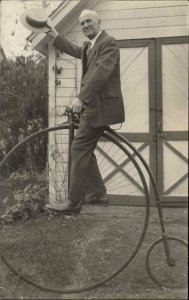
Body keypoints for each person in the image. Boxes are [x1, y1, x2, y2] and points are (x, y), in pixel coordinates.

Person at [46, 9, 125, 212]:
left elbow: (100, 72)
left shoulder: (108, 43)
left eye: (88, 21)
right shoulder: (90, 46)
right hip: (93, 107)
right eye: (81, 24)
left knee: (79, 147)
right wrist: (53, 35)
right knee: (83, 148)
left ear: (99, 21)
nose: (85, 26)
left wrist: (81, 98)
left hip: (101, 107)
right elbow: (74, 50)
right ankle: (98, 193)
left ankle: (74, 201)